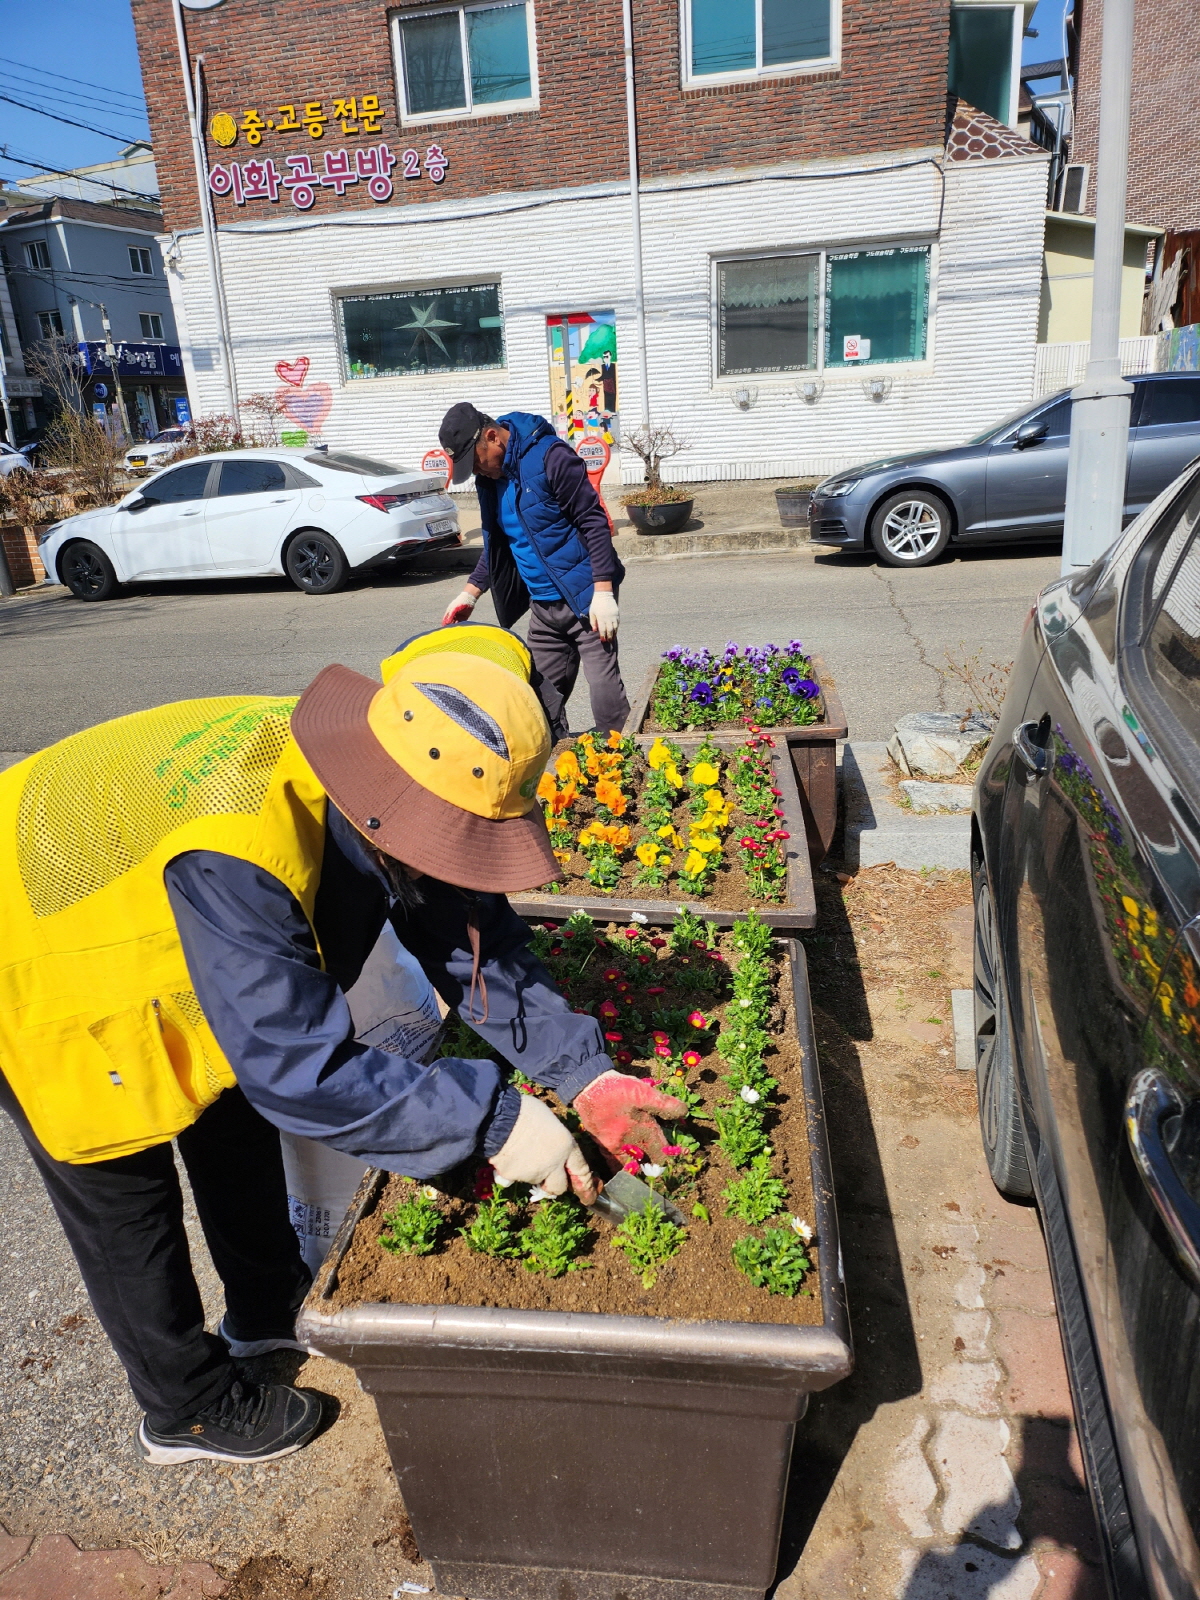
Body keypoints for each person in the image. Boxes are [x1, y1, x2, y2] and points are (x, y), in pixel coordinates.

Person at [0, 625, 684, 1467]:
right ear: (387, 806)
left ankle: (263, 1308)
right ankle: (186, 1407)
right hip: (37, 941)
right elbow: (298, 1067)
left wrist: (585, 1074)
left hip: (154, 894)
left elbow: (469, 940)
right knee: (118, 1183)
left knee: (227, 1110)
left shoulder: (391, 752)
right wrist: (496, 1123)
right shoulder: (244, 842)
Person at [438, 402, 630, 741]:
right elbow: (500, 540)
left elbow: (593, 522)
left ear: (494, 437)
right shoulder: (490, 480)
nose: (479, 473)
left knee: (604, 694)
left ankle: (626, 767)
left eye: (477, 463)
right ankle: (561, 762)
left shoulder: (550, 457)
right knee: (537, 699)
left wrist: (603, 591)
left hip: (585, 597)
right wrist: (471, 591)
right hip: (542, 608)